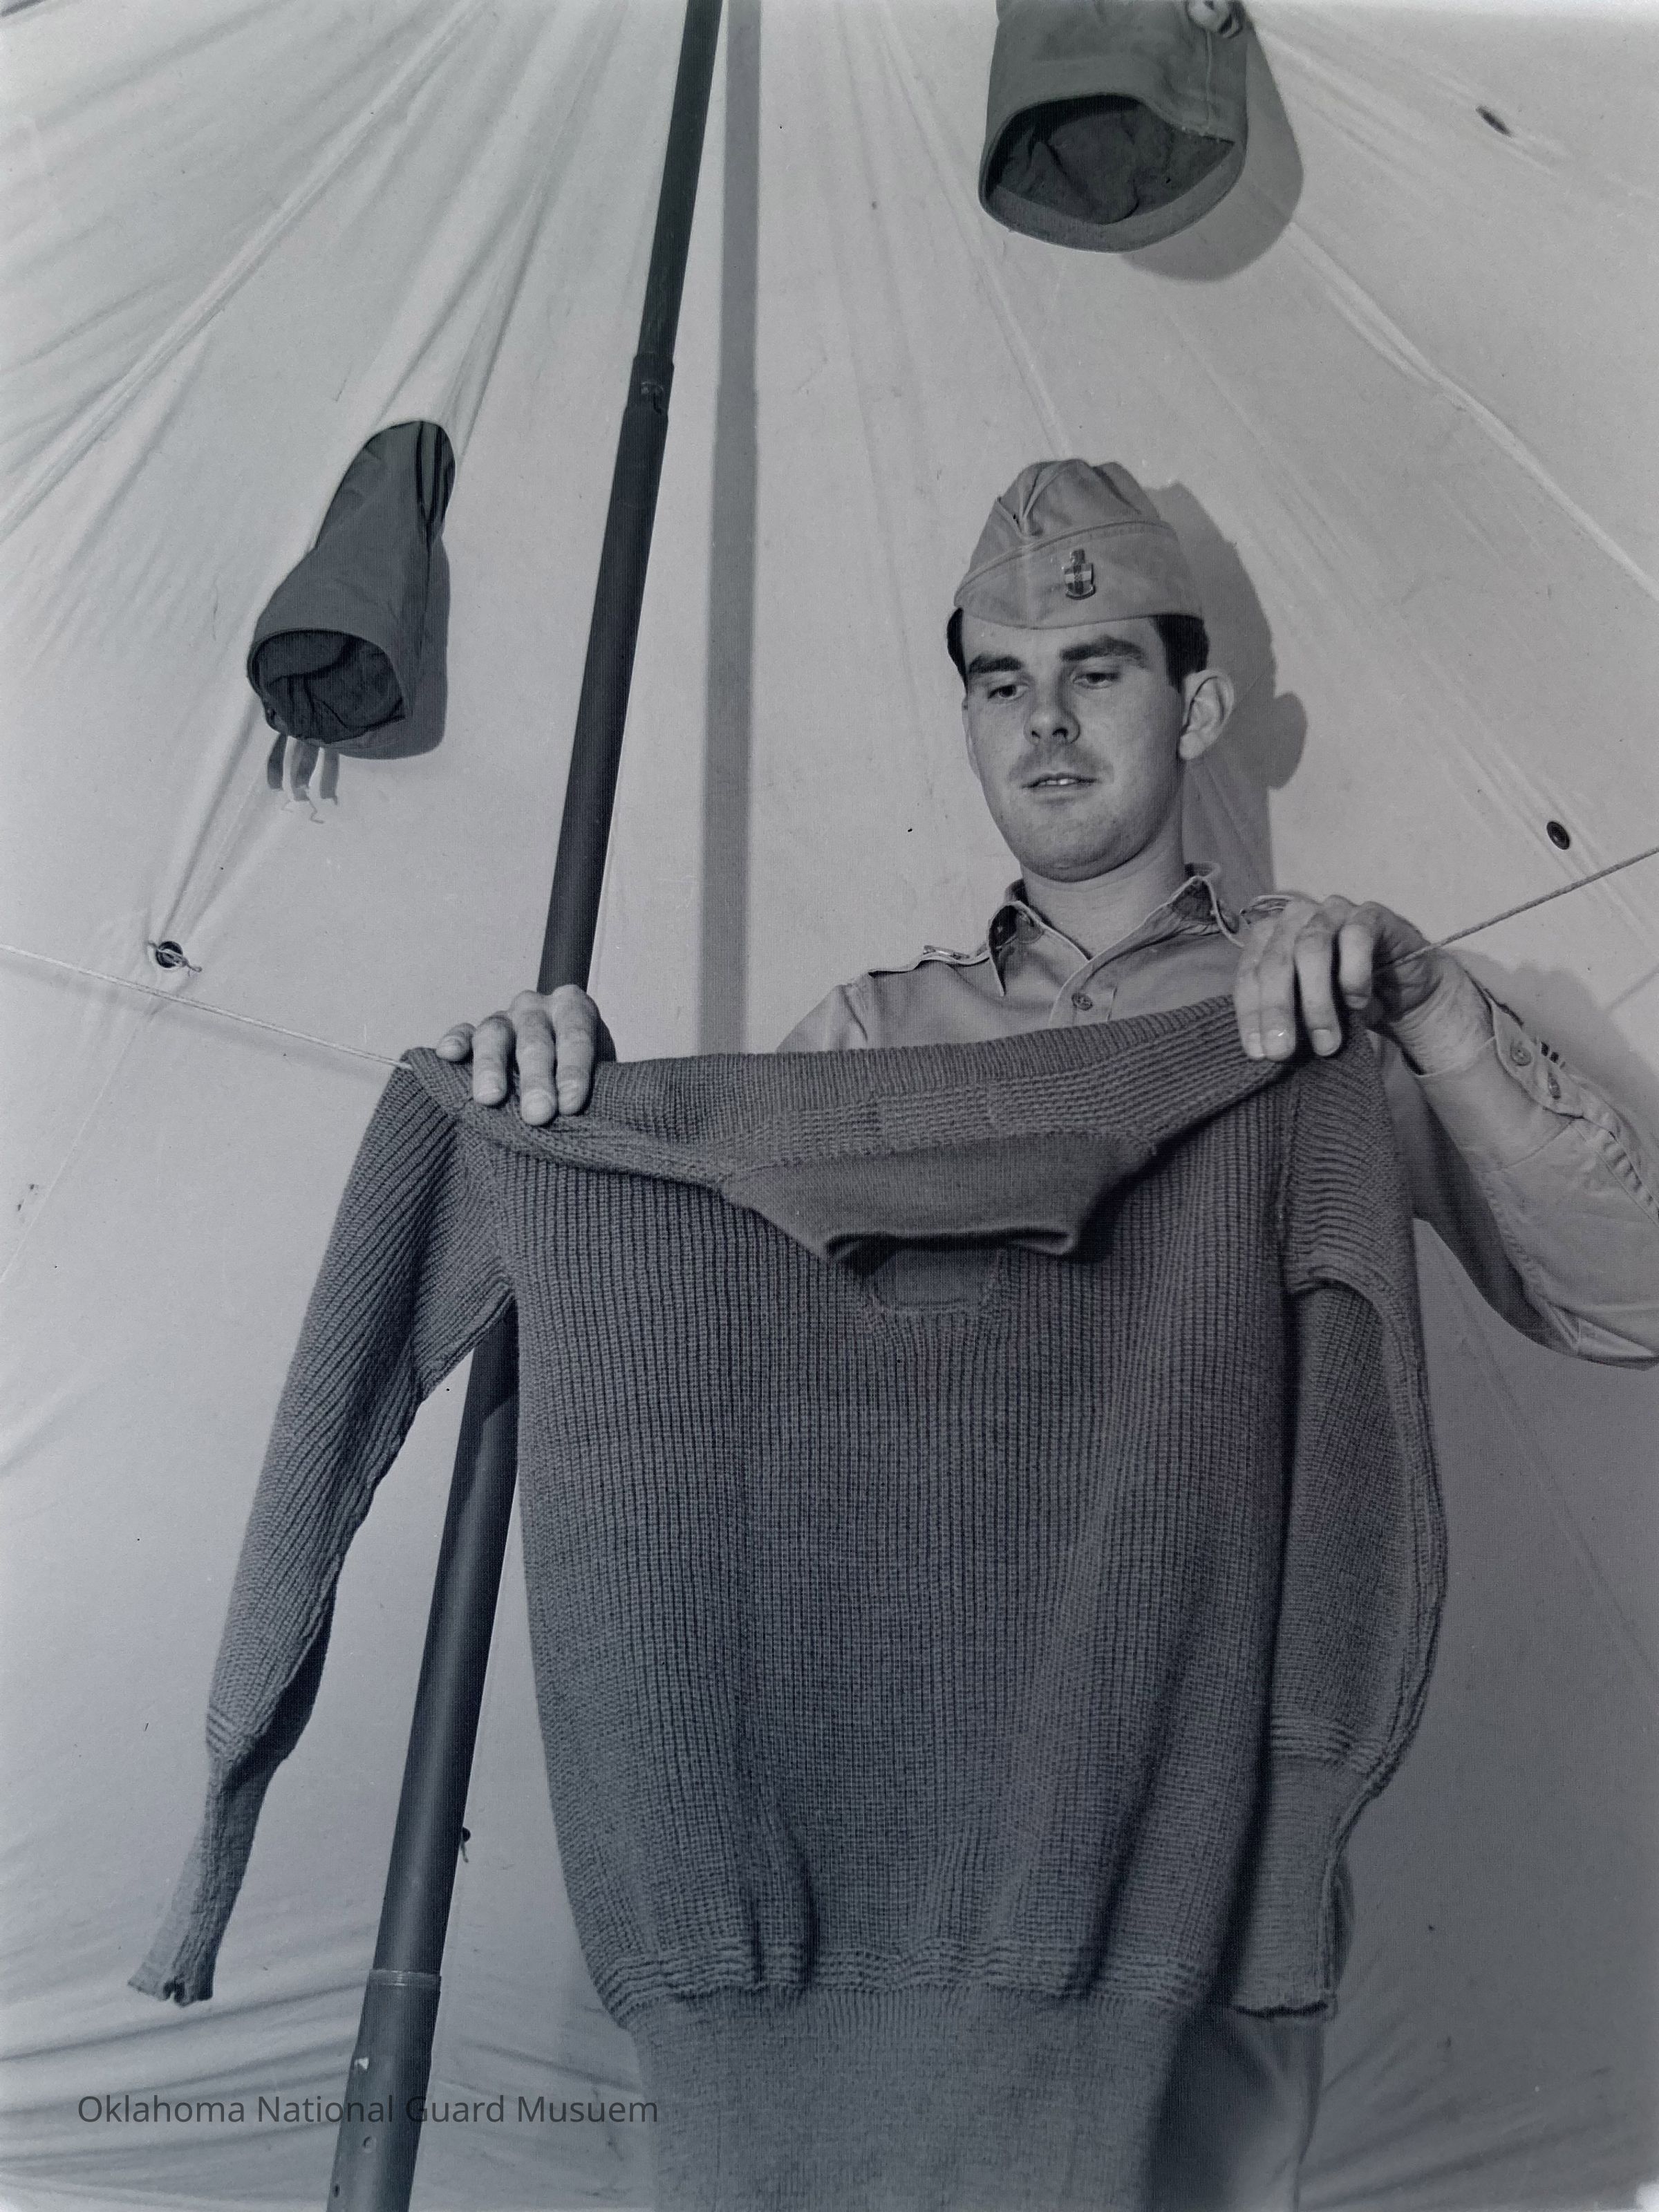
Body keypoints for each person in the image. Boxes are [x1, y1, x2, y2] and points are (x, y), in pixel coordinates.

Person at [435, 460, 1659, 2208]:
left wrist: (1435, 1008)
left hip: (1196, 1885)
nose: (1048, 722)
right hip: (879, 1871)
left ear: (1198, 707)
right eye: (1001, 683)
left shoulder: (1309, 1024)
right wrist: (563, 1118)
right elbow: (702, 1380)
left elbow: (1630, 1296)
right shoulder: (868, 1041)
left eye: (1097, 668)